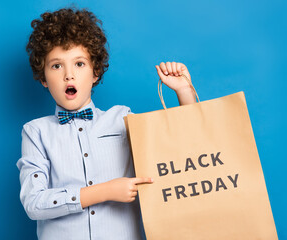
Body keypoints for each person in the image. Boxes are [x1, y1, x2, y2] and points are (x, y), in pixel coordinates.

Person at [16, 6, 197, 240]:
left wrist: (184, 91)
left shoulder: (122, 119)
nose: (68, 75)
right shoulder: (35, 132)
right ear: (43, 78)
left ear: (95, 73)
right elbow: (34, 203)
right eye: (57, 65)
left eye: (79, 64)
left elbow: (184, 149)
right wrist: (104, 191)